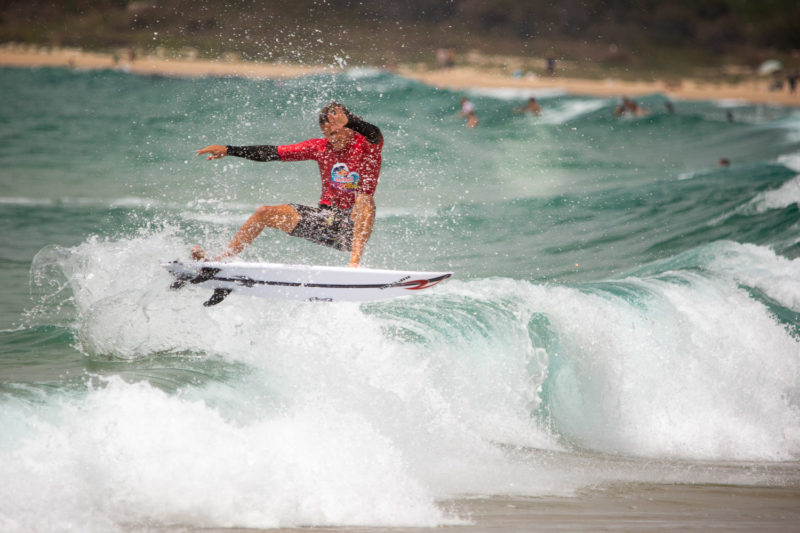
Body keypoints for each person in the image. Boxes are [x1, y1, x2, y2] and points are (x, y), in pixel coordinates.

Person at [192, 102, 383, 268]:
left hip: (352, 228)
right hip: (325, 220)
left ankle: (354, 265)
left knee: (365, 200)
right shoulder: (319, 147)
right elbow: (272, 153)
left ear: (349, 126)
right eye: (327, 134)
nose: (332, 138)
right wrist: (229, 150)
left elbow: (374, 133)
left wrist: (351, 122)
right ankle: (220, 261)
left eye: (336, 131)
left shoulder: (366, 145)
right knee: (264, 213)